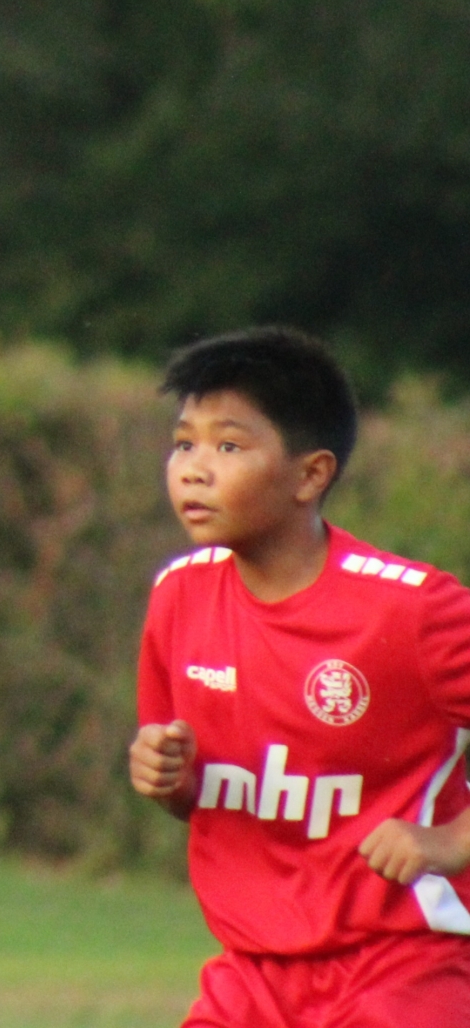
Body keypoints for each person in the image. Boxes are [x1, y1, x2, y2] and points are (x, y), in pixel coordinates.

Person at [130, 327, 470, 1027]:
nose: (194, 469)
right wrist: (168, 778)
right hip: (250, 978)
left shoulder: (409, 611)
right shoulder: (179, 596)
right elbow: (199, 795)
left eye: (229, 447)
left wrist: (453, 841)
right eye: (184, 444)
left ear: (311, 475)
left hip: (403, 970)